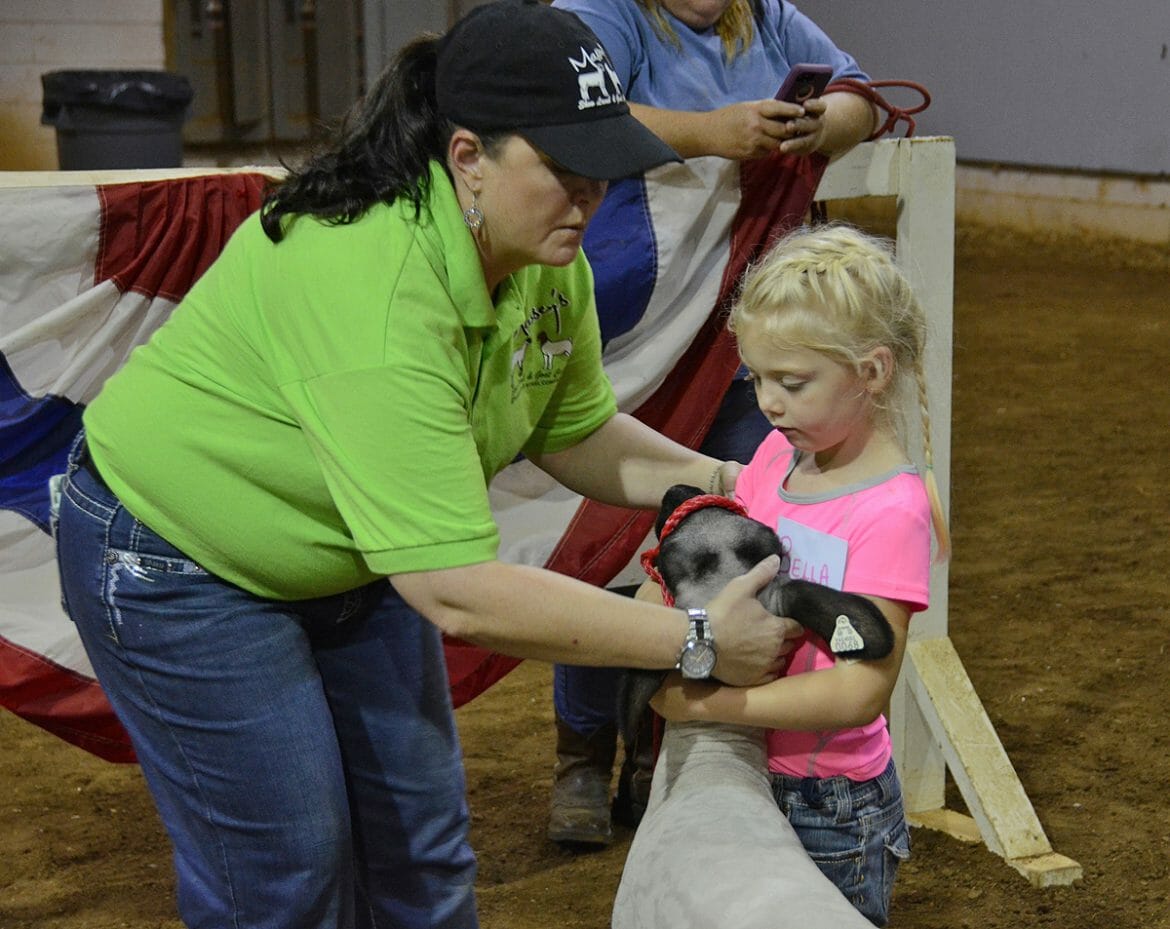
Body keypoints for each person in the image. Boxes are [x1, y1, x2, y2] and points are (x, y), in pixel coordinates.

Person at [51, 3, 803, 928]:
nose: (589, 196)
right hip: (178, 560)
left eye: (602, 167)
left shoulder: (543, 253)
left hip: (352, 552)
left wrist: (731, 482)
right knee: (288, 876)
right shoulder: (376, 288)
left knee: (424, 853)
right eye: (563, 168)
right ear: (467, 157)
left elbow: (572, 430)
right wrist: (696, 639)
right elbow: (457, 590)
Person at [544, 0, 881, 848]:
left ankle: (659, 749)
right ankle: (582, 750)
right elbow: (576, 109)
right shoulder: (603, 13)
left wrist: (821, 124)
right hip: (631, 347)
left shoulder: (767, 15)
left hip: (729, 355)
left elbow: (861, 95)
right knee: (599, 552)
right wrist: (712, 132)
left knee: (731, 551)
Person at [648, 222, 951, 926]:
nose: (768, 403)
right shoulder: (774, 456)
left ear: (872, 371)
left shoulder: (891, 511)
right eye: (757, 379)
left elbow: (859, 690)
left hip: (830, 802)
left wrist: (708, 708)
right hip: (750, 765)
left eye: (792, 382)